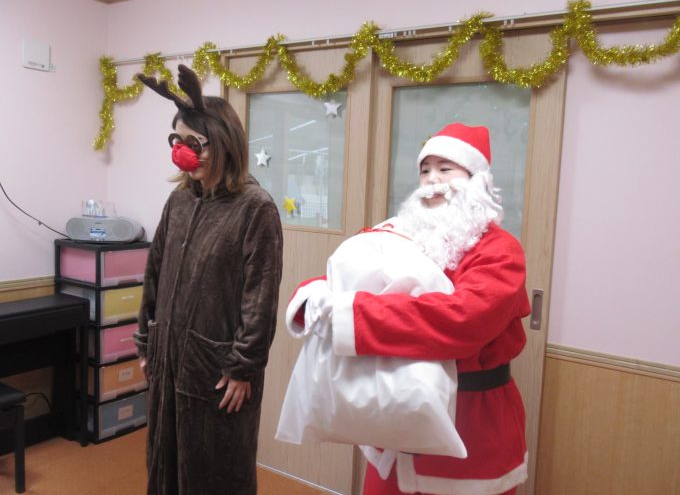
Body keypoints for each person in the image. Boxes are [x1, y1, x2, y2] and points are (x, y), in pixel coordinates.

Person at [287, 123, 530, 495]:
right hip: (393, 424)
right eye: (425, 170)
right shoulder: (404, 236)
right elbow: (353, 278)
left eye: (445, 168)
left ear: (477, 180)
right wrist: (313, 298)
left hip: (472, 426)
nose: (432, 180)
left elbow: (462, 320)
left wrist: (350, 314)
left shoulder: (501, 250)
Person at [133, 65, 283, 495]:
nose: (185, 153)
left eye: (195, 143)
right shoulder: (178, 201)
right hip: (167, 359)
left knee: (215, 471)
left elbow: (260, 297)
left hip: (217, 371)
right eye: (177, 142)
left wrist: (243, 367)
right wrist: (146, 342)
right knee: (164, 463)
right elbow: (154, 273)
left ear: (224, 141)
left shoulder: (255, 207)